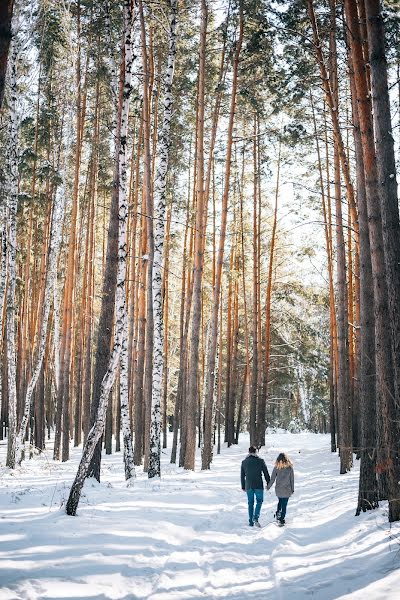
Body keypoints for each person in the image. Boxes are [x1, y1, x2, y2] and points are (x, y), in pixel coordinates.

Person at [241, 446, 270, 527]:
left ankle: (251, 521)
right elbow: (266, 473)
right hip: (258, 485)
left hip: (248, 485)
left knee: (250, 503)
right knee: (259, 501)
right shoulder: (260, 461)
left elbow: (242, 475)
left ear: (249, 452)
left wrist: (243, 486)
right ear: (256, 452)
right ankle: (255, 517)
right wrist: (268, 482)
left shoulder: (244, 462)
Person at [267, 452, 294, 526]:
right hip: (287, 489)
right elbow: (292, 479)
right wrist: (292, 489)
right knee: (284, 504)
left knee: (280, 501)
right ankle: (282, 519)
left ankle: (278, 512)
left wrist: (268, 486)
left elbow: (272, 479)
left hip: (279, 489)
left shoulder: (276, 467)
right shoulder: (290, 468)